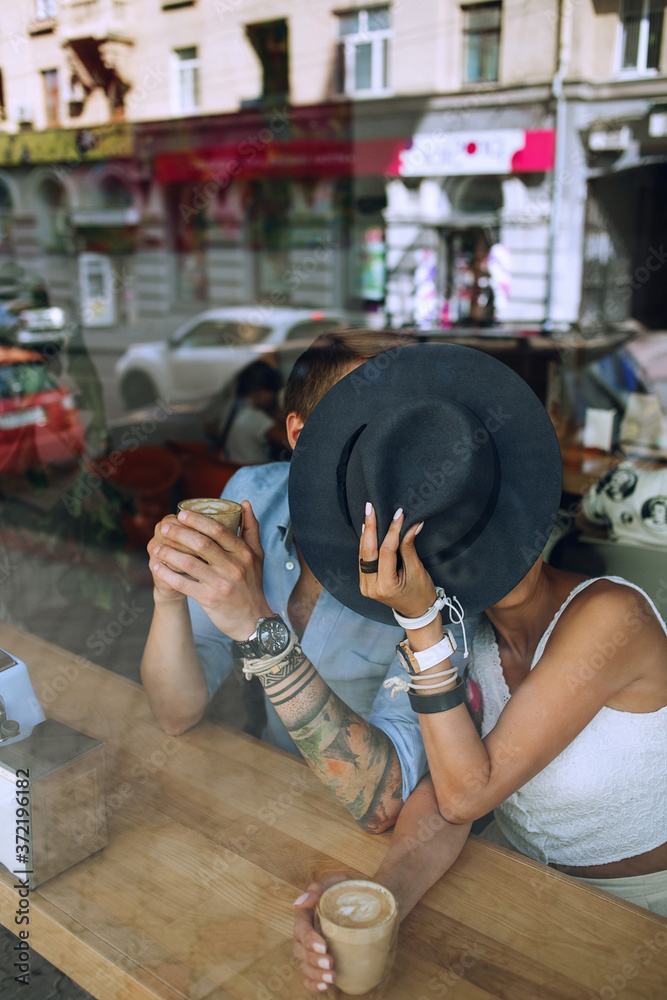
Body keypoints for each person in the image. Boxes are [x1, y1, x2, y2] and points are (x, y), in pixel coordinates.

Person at [289, 341, 666, 990]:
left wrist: (418, 624)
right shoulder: (468, 636)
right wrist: (380, 902)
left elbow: (471, 792)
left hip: (637, 916)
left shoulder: (612, 618)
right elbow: (445, 796)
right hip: (509, 884)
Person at [142, 330, 470, 834]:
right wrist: (168, 595)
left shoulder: (441, 567)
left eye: (403, 428)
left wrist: (260, 629)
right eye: (359, 425)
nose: (384, 450)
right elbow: (176, 713)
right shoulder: (250, 494)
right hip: (260, 798)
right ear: (299, 434)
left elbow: (386, 799)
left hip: (354, 835)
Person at [218, 359, 288, 465]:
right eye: (273, 393)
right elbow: (292, 442)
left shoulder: (230, 406)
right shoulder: (255, 418)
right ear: (261, 392)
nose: (273, 398)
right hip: (253, 473)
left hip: (231, 469)